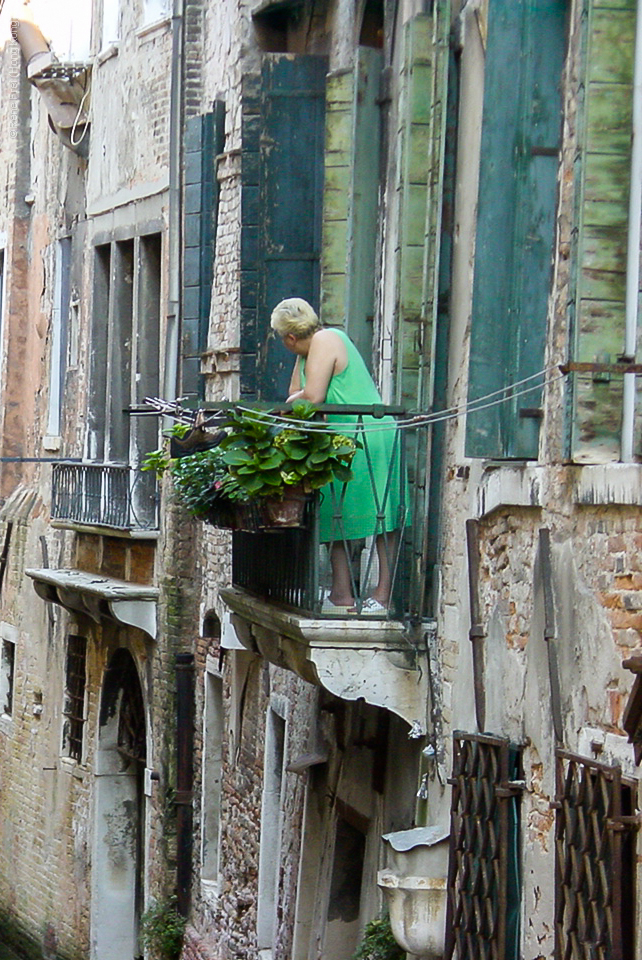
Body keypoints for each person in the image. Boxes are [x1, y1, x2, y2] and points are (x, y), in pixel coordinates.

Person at [270, 297, 406, 614]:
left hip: (365, 436)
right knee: (335, 512)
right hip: (338, 441)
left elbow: (311, 397)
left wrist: (298, 396)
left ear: (289, 337)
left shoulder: (326, 339)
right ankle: (341, 594)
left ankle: (383, 596)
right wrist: (298, 392)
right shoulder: (308, 352)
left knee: (380, 514)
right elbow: (295, 394)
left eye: (283, 339)